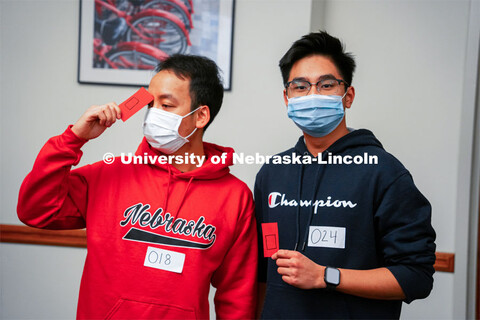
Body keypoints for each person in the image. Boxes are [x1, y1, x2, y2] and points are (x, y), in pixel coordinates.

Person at [17, 54, 257, 319]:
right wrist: (73, 139)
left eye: (166, 105)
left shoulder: (235, 197)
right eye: (150, 104)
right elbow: (36, 211)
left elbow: (236, 293)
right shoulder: (109, 175)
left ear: (200, 116)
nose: (154, 115)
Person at [254, 31, 436, 319]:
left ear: (347, 96)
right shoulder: (272, 173)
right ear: (287, 98)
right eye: (300, 87)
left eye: (326, 85)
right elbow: (265, 267)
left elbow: (416, 276)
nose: (312, 95)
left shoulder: (384, 173)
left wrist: (327, 276)